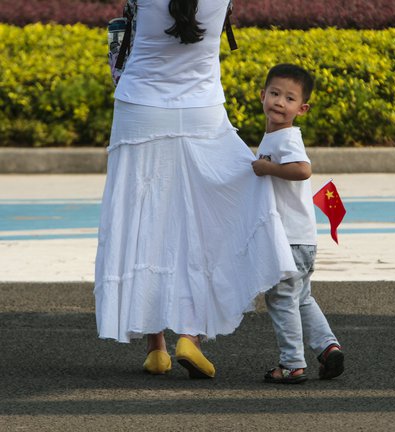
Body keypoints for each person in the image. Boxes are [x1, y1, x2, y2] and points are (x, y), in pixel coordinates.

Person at [94, 0, 296, 379]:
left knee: (145, 223)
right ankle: (191, 336)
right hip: (203, 108)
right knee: (207, 221)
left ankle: (156, 349)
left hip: (139, 109)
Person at [251, 64, 344, 384]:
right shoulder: (275, 137)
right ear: (262, 95)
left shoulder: (286, 139)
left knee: (280, 299)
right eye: (274, 94)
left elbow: (303, 170)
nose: (279, 102)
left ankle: (292, 364)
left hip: (288, 240)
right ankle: (328, 347)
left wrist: (267, 169)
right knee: (301, 296)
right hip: (303, 239)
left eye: (289, 98)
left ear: (302, 109)